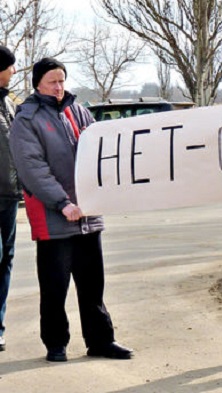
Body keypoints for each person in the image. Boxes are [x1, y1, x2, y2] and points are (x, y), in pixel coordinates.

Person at [9, 58, 133, 362]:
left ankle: (101, 340)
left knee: (93, 284)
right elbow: (32, 168)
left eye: (62, 80)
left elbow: (102, 154)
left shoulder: (79, 112)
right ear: (38, 83)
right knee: (55, 286)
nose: (59, 87)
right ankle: (55, 343)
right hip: (54, 217)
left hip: (88, 215)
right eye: (53, 81)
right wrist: (62, 203)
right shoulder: (27, 119)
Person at [0, 46, 20, 352]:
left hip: (11, 196)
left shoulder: (10, 102)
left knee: (6, 259)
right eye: (11, 66)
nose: (15, 71)